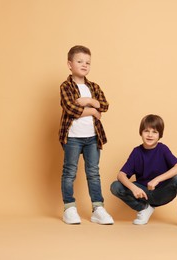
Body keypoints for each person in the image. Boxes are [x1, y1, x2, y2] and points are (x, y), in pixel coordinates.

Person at [110, 114, 177, 230]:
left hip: (163, 192)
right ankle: (144, 208)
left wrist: (157, 179)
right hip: (144, 194)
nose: (150, 135)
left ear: (159, 135)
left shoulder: (162, 149)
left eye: (154, 132)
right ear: (141, 133)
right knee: (115, 186)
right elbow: (121, 175)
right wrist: (134, 188)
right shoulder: (137, 152)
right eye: (146, 131)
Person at [59, 45, 113, 225]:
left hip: (93, 137)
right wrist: (93, 111)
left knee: (93, 173)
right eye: (79, 61)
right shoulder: (66, 86)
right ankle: (69, 207)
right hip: (73, 137)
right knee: (69, 172)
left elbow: (104, 105)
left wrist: (89, 101)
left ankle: (98, 208)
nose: (84, 65)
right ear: (69, 64)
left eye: (87, 62)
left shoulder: (93, 87)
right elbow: (71, 109)